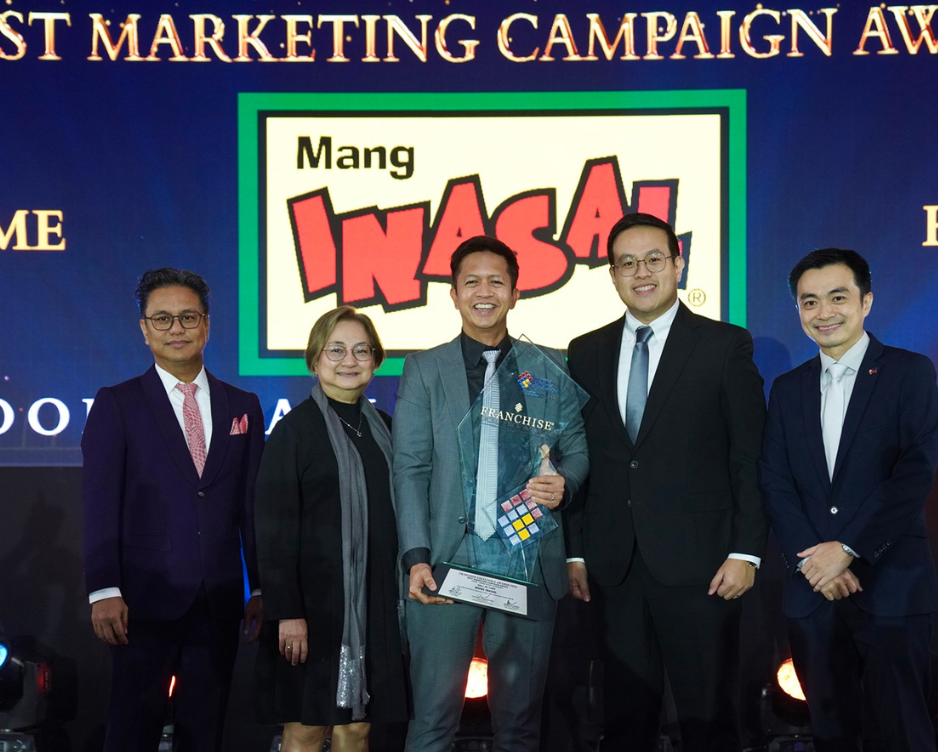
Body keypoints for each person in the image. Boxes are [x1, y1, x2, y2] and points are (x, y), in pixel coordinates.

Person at [564, 212, 768, 752]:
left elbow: (749, 457)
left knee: (709, 720)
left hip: (704, 566)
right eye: (627, 263)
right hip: (613, 567)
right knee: (624, 722)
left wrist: (746, 551)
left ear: (679, 264)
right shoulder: (584, 351)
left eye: (654, 259)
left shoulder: (724, 345)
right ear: (613, 275)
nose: (642, 272)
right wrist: (575, 551)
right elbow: (579, 455)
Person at [392, 236, 589, 752]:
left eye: (497, 281)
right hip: (445, 563)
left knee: (520, 728)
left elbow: (576, 451)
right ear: (453, 294)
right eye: (472, 282)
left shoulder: (549, 366)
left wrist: (565, 483)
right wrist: (415, 556)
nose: (485, 292)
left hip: (527, 559)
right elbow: (410, 468)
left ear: (515, 293)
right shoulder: (424, 368)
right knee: (432, 721)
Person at [759, 248, 938, 752]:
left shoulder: (908, 372)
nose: (824, 312)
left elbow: (912, 475)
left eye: (837, 298)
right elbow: (774, 480)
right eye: (809, 302)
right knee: (831, 736)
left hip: (892, 587)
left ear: (866, 302)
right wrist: (813, 561)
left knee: (902, 733)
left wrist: (848, 549)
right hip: (813, 591)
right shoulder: (787, 389)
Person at [82, 268, 266, 752]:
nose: (176, 328)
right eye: (162, 319)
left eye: (188, 317)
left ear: (207, 325)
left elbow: (251, 505)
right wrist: (104, 589)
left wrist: (260, 586)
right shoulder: (117, 404)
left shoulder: (243, 405)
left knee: (205, 732)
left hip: (219, 599)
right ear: (144, 330)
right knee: (132, 731)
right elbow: (99, 504)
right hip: (142, 600)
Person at [253, 306, 408, 751]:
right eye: (336, 350)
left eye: (362, 350)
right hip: (312, 610)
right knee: (306, 728)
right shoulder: (293, 431)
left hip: (375, 603)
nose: (349, 361)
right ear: (315, 359)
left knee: (357, 729)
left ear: (376, 360)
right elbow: (274, 529)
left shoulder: (388, 430)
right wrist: (288, 613)